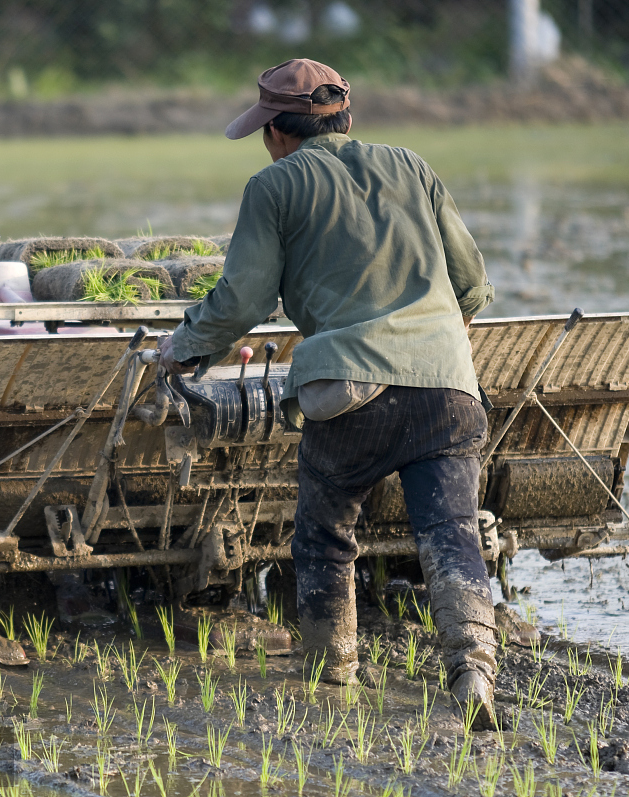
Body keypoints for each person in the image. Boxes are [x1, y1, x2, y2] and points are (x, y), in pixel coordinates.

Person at [158, 58, 499, 728]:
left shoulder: (274, 187)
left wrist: (183, 345)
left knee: (324, 526)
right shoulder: (412, 166)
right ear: (346, 118)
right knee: (451, 530)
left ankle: (332, 670)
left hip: (351, 387)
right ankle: (474, 668)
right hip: (449, 388)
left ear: (275, 135)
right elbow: (474, 285)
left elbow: (243, 299)